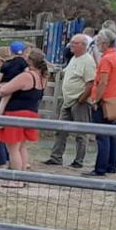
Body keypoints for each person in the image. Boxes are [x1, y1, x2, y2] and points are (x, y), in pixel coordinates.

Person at [0, 43, 46, 179]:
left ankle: (15, 179)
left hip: (16, 113)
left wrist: (0, 87)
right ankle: (22, 178)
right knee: (22, 147)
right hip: (32, 113)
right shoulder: (42, 77)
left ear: (29, 60)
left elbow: (4, 90)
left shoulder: (27, 76)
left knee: (13, 149)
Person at [45, 32, 95, 170]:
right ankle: (56, 157)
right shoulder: (74, 58)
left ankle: (78, 161)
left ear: (83, 45)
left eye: (75, 43)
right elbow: (65, 72)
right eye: (71, 42)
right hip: (68, 100)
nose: (71, 45)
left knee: (81, 132)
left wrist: (82, 99)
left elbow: (91, 83)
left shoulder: (88, 61)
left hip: (78, 101)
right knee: (60, 130)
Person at [87, 28, 116, 177]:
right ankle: (112, 165)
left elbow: (103, 82)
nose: (96, 44)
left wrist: (96, 99)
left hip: (104, 101)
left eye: (97, 42)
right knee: (112, 135)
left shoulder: (106, 59)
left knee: (102, 136)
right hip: (114, 99)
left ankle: (100, 167)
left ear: (103, 43)